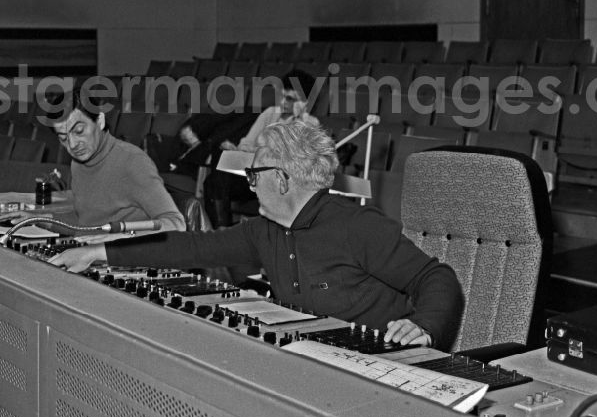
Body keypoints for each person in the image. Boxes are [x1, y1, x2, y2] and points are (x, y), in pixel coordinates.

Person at [51, 120, 464, 348]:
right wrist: (99, 252)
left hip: (372, 371)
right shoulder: (265, 231)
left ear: (282, 180)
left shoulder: (359, 226)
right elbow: (191, 245)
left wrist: (424, 326)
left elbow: (436, 278)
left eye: (254, 174)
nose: (248, 183)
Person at [44, 87, 185, 231]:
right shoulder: (78, 164)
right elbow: (85, 223)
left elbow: (175, 224)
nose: (72, 145)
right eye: (63, 138)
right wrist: (35, 219)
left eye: (79, 131)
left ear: (100, 121)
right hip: (92, 247)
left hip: (126, 250)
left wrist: (117, 239)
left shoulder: (133, 162)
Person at [204, 69, 320, 226]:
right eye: (282, 96)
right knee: (214, 178)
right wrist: (238, 149)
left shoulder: (310, 124)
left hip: (278, 185)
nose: (283, 102)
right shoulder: (270, 113)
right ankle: (221, 231)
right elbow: (246, 144)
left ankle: (221, 233)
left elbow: (291, 158)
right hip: (252, 178)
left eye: (290, 99)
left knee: (214, 183)